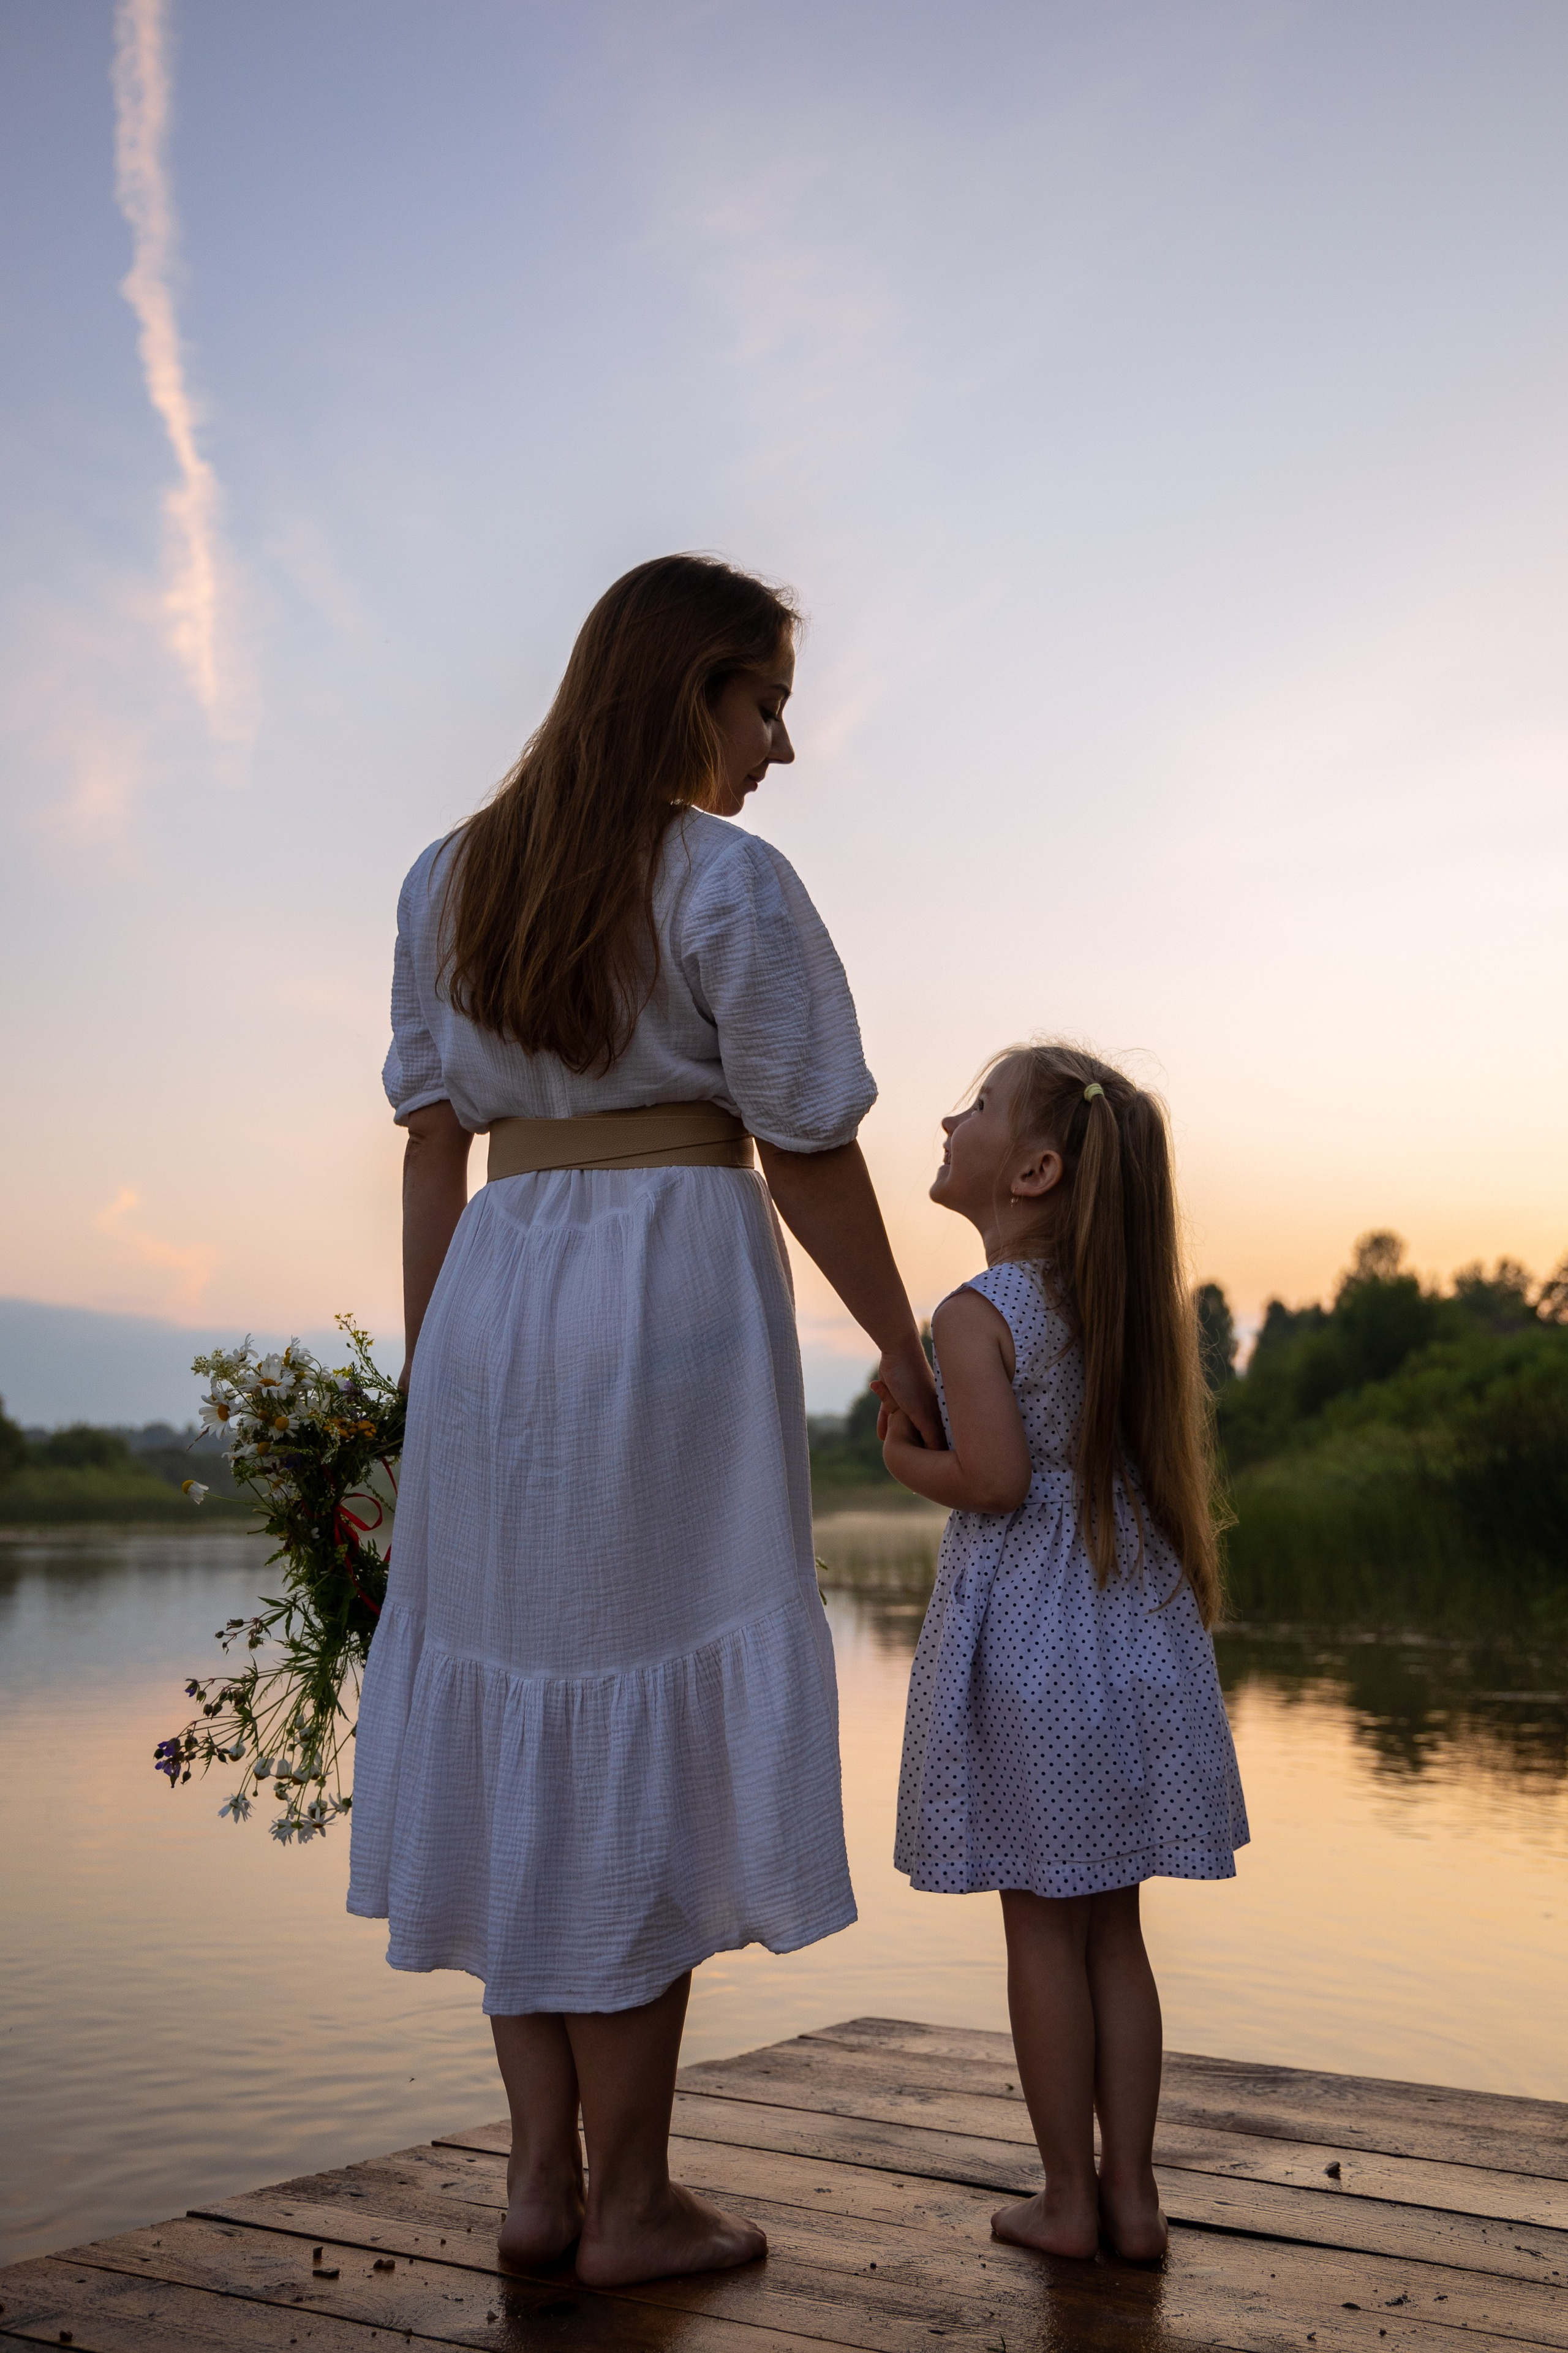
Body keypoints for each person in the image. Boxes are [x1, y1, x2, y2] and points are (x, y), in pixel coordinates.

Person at [347, 554, 938, 2289]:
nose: (779, 745)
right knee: (642, 1723)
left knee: (534, 1708)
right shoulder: (726, 886)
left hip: (495, 1308)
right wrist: (900, 1347)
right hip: (667, 1303)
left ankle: (540, 2184)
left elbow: (432, 1141)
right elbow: (810, 1143)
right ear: (688, 693)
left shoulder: (444, 881)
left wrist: (430, 1374)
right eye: (763, 704)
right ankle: (632, 2204)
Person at [875, 1043, 1248, 2264]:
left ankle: (1065, 2198)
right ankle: (1133, 2198)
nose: (947, 1116)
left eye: (974, 1107)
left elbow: (989, 1478)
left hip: (1035, 1647)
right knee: (1113, 1932)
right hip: (1133, 1638)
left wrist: (900, 1459)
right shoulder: (1119, 1308)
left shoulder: (974, 1312)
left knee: (1039, 1928)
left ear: (1032, 1169)